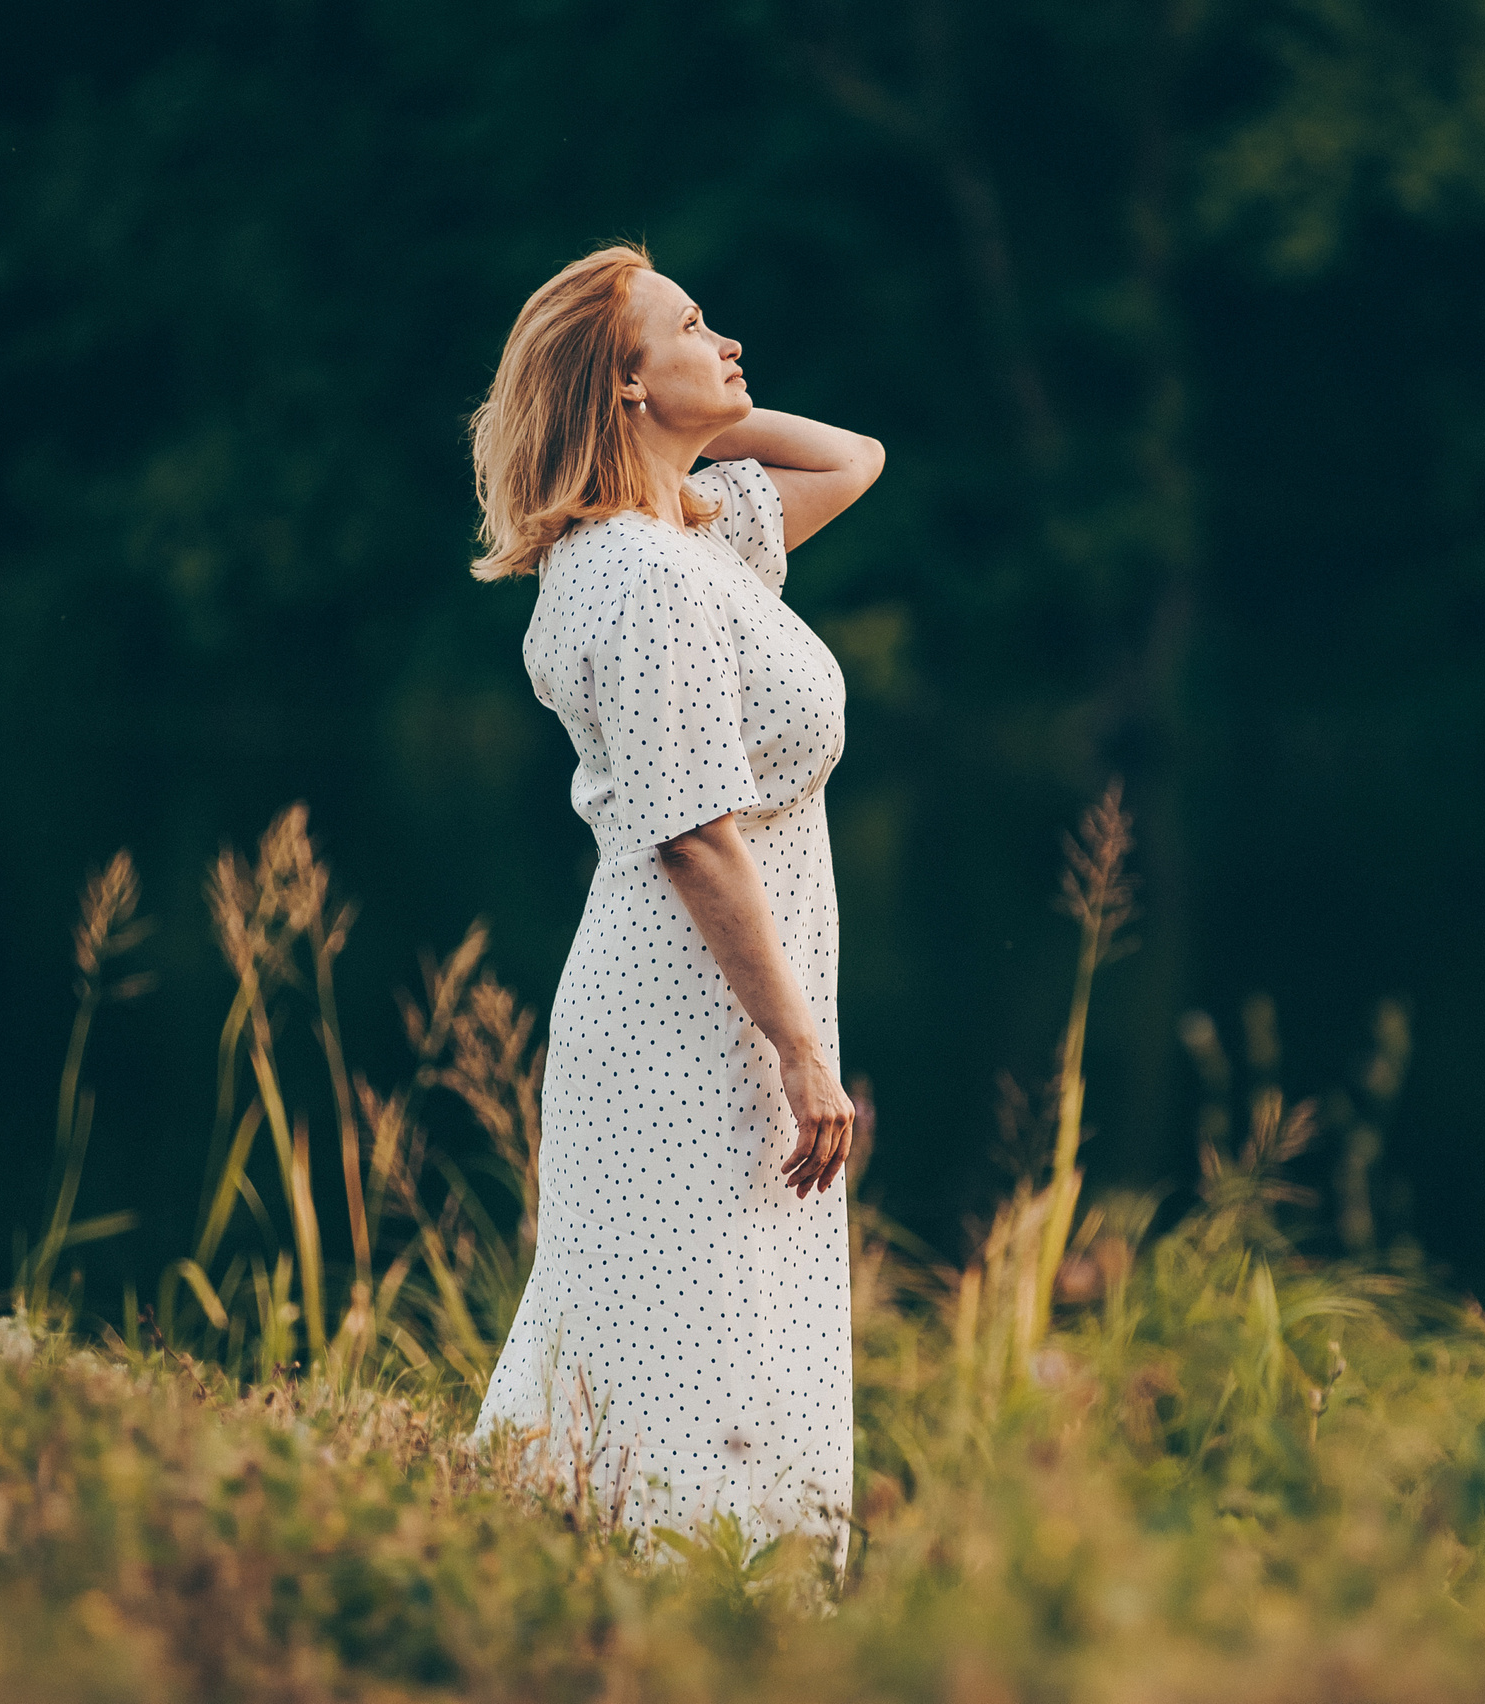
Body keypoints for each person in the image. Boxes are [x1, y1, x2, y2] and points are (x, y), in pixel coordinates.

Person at [465, 243, 883, 1556]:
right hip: (685, 1021)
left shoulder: (689, 536)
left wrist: (698, 405)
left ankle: (680, 1600)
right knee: (678, 1326)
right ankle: (632, 1593)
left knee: (726, 1320)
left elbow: (853, 458)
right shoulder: (639, 577)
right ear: (624, 385)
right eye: (696, 327)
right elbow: (693, 838)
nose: (731, 339)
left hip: (723, 1012)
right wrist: (800, 1048)